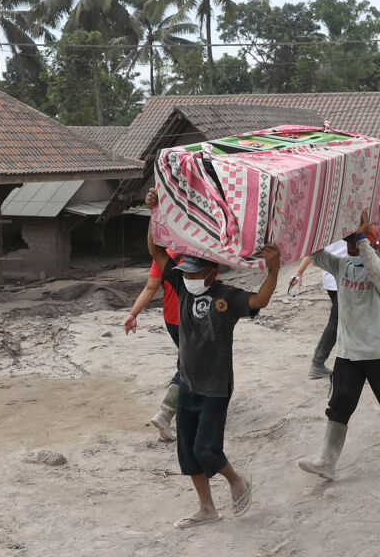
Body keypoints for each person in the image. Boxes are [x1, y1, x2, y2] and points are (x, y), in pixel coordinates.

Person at [144, 187, 282, 529]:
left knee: (207, 450)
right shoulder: (179, 281)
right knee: (188, 454)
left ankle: (237, 481)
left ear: (213, 273)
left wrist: (273, 270)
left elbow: (259, 301)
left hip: (216, 388)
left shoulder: (227, 297)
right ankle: (207, 508)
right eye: (187, 272)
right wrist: (155, 212)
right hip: (188, 383)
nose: (189, 277)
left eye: (195, 273)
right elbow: (156, 249)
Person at [298, 213, 380, 481]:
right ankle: (327, 461)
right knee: (339, 404)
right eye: (350, 241)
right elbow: (316, 255)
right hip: (348, 352)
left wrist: (361, 237)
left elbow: (373, 266)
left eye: (358, 241)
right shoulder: (342, 266)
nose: (352, 244)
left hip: (379, 351)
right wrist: (318, 226)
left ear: (371, 245)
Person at [124, 247, 182, 441]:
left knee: (192, 362)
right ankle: (166, 413)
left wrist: (133, 314)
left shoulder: (163, 254)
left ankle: (187, 408)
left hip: (172, 319)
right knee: (190, 366)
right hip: (194, 319)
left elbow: (150, 288)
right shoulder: (198, 247)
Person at [288, 239, 350, 379]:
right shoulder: (349, 220)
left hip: (333, 278)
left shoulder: (326, 221)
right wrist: (299, 272)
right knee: (337, 321)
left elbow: (312, 248)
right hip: (344, 278)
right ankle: (318, 363)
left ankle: (324, 363)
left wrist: (299, 272)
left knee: (345, 321)